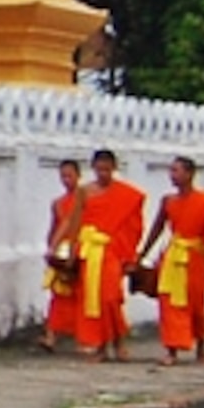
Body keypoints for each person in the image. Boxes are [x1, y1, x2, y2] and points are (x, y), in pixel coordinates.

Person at [141, 156, 204, 363]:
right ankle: (171, 349)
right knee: (168, 303)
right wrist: (143, 252)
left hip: (195, 258)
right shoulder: (168, 201)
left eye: (176, 171)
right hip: (173, 258)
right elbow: (157, 228)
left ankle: (201, 345)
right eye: (171, 171)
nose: (172, 175)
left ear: (189, 174)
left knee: (195, 303)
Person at [76, 151, 147, 361]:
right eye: (99, 169)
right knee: (93, 300)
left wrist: (129, 256)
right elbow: (76, 222)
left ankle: (119, 342)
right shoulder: (85, 192)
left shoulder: (127, 194)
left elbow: (134, 228)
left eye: (107, 169)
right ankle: (100, 346)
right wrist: (71, 249)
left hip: (112, 252)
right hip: (89, 252)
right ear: (93, 168)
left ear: (114, 168)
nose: (103, 174)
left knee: (111, 299)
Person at [40, 159, 85, 352]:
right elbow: (56, 226)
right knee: (58, 295)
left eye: (70, 176)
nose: (66, 180)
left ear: (78, 175)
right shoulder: (58, 203)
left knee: (82, 295)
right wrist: (50, 247)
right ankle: (51, 336)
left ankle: (83, 338)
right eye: (63, 176)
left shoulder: (85, 199)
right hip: (62, 249)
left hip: (81, 247)